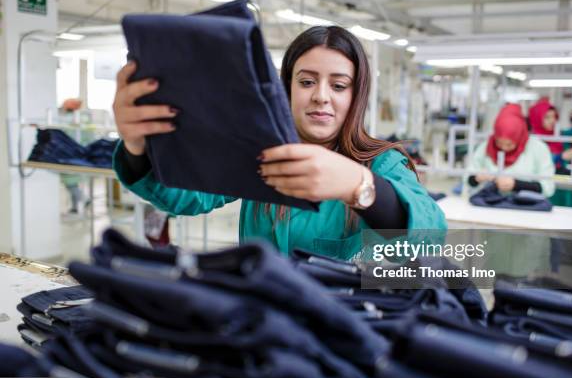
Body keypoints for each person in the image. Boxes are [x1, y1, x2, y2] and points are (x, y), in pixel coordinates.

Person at [111, 26, 446, 260]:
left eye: (339, 86)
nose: (320, 96)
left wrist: (358, 185)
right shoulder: (260, 154)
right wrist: (138, 145)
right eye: (306, 81)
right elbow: (183, 196)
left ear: (357, 95)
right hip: (262, 323)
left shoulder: (382, 163)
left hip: (341, 333)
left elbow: (430, 239)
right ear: (287, 88)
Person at [467, 103, 555, 197]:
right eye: (499, 143)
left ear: (519, 136)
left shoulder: (538, 148)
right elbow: (468, 179)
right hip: (490, 206)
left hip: (525, 208)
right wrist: (477, 178)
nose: (504, 148)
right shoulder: (485, 147)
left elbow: (548, 187)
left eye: (510, 144)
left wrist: (517, 185)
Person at [529, 97, 572, 206]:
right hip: (542, 186)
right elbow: (533, 163)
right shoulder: (530, 141)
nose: (552, 120)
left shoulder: (559, 136)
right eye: (547, 117)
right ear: (537, 118)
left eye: (554, 116)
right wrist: (560, 157)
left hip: (562, 186)